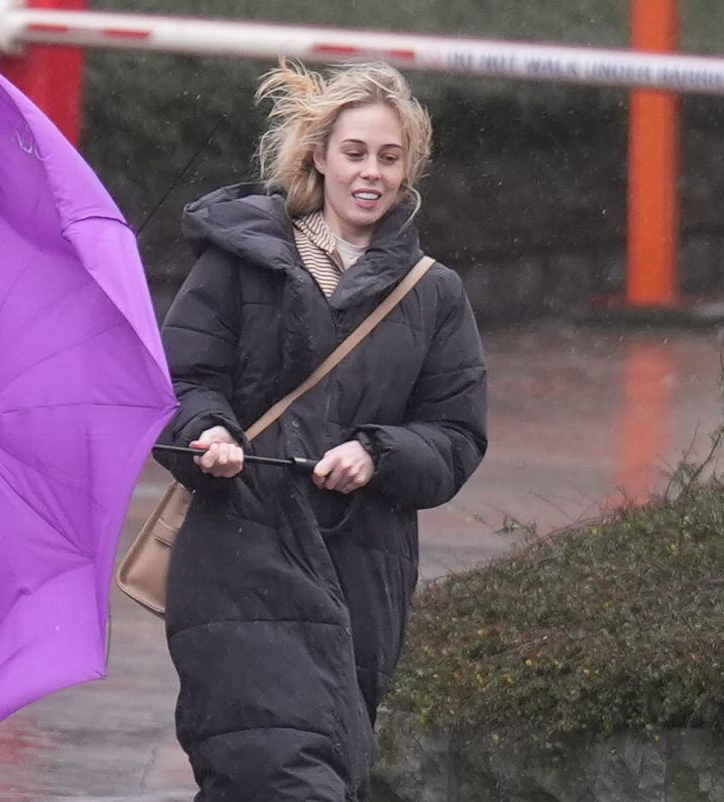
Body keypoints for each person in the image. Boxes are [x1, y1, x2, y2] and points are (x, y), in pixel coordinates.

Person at [153, 60, 488, 801]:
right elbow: (178, 383)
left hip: (358, 572)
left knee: (311, 767)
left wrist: (379, 454)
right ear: (320, 157)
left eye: (389, 158)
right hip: (238, 551)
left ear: (409, 170)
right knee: (272, 766)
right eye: (356, 153)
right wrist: (208, 432)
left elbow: (457, 436)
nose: (371, 172)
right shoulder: (240, 263)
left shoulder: (433, 295)